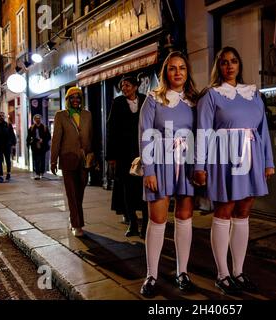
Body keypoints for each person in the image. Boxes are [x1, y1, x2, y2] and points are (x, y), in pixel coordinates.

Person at [194, 46, 275, 295]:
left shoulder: (253, 94)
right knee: (224, 210)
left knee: (244, 210)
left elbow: (263, 131)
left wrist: (268, 162)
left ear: (239, 65)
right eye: (224, 62)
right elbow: (203, 131)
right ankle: (222, 274)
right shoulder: (211, 95)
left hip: (251, 157)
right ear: (218, 67)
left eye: (233, 62)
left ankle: (238, 271)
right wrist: (199, 165)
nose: (229, 66)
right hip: (223, 157)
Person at [138, 51, 198, 298]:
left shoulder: (194, 100)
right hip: (160, 162)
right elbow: (145, 134)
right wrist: (148, 170)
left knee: (184, 217)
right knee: (158, 219)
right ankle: (151, 275)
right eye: (172, 68)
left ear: (187, 72)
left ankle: (182, 272)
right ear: (165, 72)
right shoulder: (153, 99)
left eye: (182, 68)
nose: (178, 72)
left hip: (187, 161)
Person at [106, 75, 148, 238]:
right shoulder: (117, 103)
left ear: (136, 86)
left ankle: (145, 225)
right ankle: (132, 223)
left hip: (143, 152)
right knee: (127, 190)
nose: (124, 88)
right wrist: (111, 155)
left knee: (144, 190)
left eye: (127, 85)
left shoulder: (145, 100)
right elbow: (111, 129)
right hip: (124, 155)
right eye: (122, 86)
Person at [50, 87, 93, 237]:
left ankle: (73, 217)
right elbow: (56, 139)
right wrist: (53, 160)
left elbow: (91, 137)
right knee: (71, 194)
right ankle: (77, 225)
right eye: (72, 97)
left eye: (78, 97)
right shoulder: (61, 115)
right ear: (67, 99)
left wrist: (93, 156)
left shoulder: (87, 115)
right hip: (67, 158)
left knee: (79, 194)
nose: (76, 100)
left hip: (84, 160)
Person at [0, 111, 16, 183]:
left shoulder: (8, 125)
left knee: (8, 160)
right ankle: (1, 176)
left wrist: (13, 143)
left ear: (4, 117)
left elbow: (12, 135)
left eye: (2, 116)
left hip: (7, 146)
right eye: (0, 116)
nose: (1, 117)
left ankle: (8, 174)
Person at [26, 114, 51, 180]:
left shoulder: (44, 127)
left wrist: (43, 140)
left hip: (43, 146)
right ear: (34, 120)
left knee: (42, 160)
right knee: (36, 160)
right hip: (35, 146)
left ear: (41, 119)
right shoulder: (31, 128)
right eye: (36, 118)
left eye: (39, 118)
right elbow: (28, 137)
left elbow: (48, 137)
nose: (38, 119)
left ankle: (42, 173)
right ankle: (37, 173)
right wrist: (28, 144)